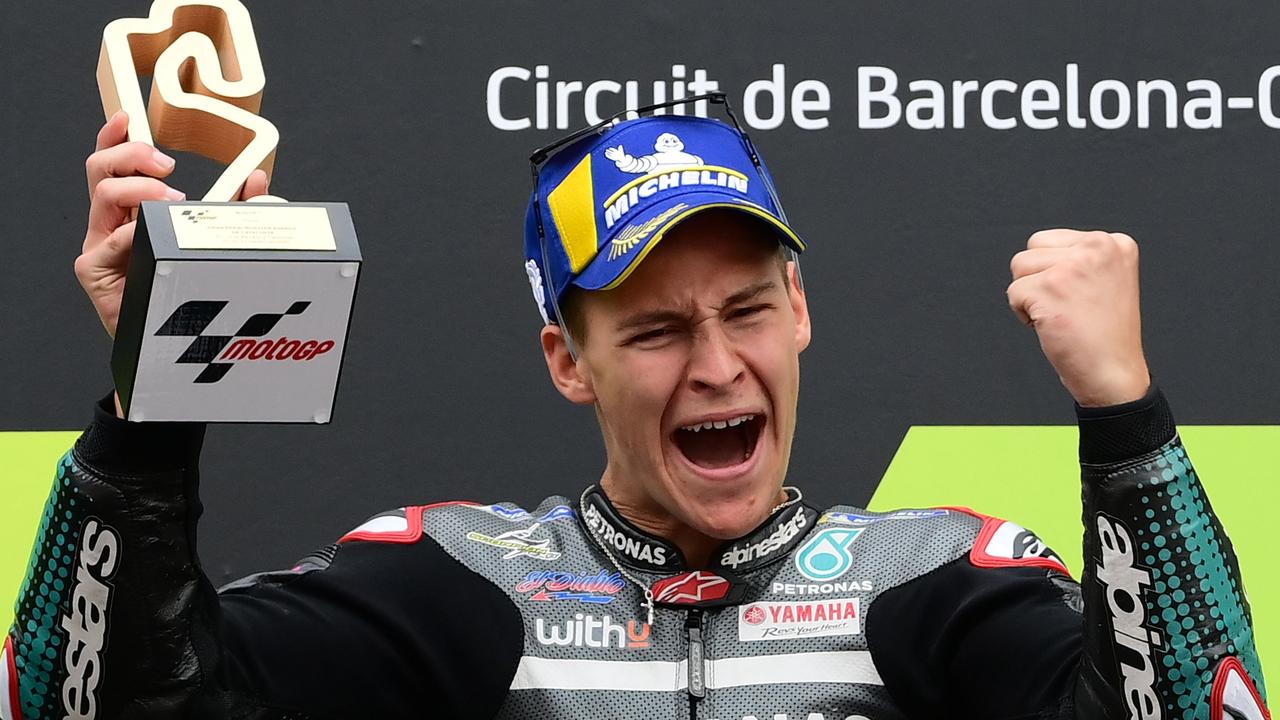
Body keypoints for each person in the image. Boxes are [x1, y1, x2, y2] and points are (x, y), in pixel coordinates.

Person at [1, 105, 1269, 720]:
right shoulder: (452, 581)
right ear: (568, 360)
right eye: (656, 330)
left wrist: (1125, 420)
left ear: (801, 311)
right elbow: (93, 708)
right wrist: (154, 392)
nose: (715, 365)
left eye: (745, 309)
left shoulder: (939, 580)